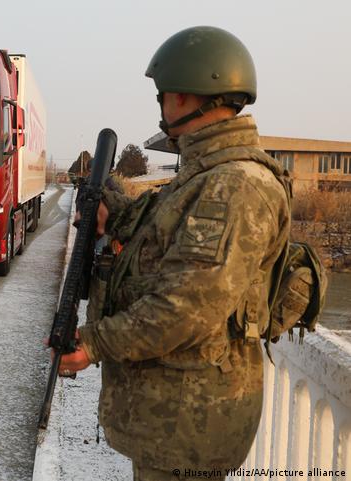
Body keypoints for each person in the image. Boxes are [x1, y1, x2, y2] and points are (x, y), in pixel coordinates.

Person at [59, 26, 291, 480]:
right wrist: (115, 213)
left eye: (163, 94)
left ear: (185, 96)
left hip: (189, 424)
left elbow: (186, 308)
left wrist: (92, 344)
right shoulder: (206, 175)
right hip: (173, 415)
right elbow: (164, 243)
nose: (162, 106)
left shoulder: (234, 185)